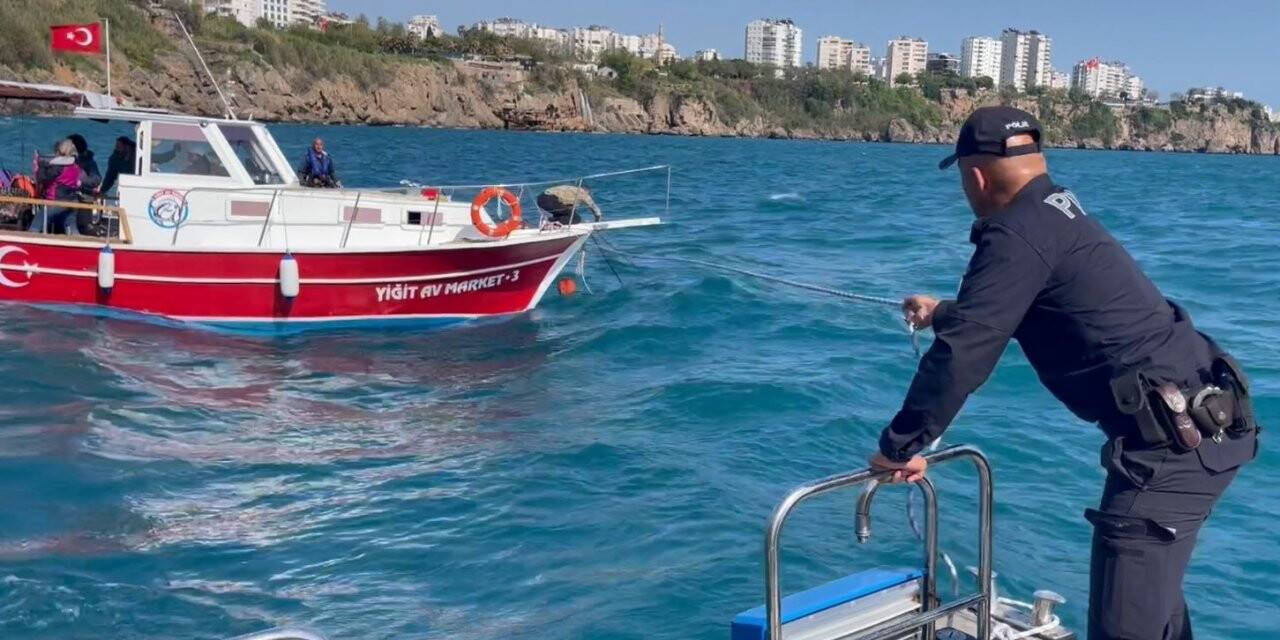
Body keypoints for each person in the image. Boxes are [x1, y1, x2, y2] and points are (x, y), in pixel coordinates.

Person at [869, 107, 1258, 640]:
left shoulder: (1015, 233)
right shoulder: (1058, 211)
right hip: (1207, 423)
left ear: (975, 176)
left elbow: (966, 353)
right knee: (1155, 609)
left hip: (1168, 449)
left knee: (1126, 626)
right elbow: (1022, 309)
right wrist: (941, 313)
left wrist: (900, 445)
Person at [30, 138, 82, 235]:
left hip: (56, 201)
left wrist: (39, 166)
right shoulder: (76, 166)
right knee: (72, 227)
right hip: (73, 202)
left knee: (36, 225)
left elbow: (41, 178)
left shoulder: (58, 167)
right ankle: (81, 246)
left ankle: (29, 245)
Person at [536, 185, 603, 225]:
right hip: (550, 199)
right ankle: (548, 222)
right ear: (587, 191)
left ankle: (550, 222)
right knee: (576, 218)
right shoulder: (582, 192)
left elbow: (566, 206)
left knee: (563, 214)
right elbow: (595, 208)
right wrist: (597, 221)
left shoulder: (571, 190)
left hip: (541, 199)